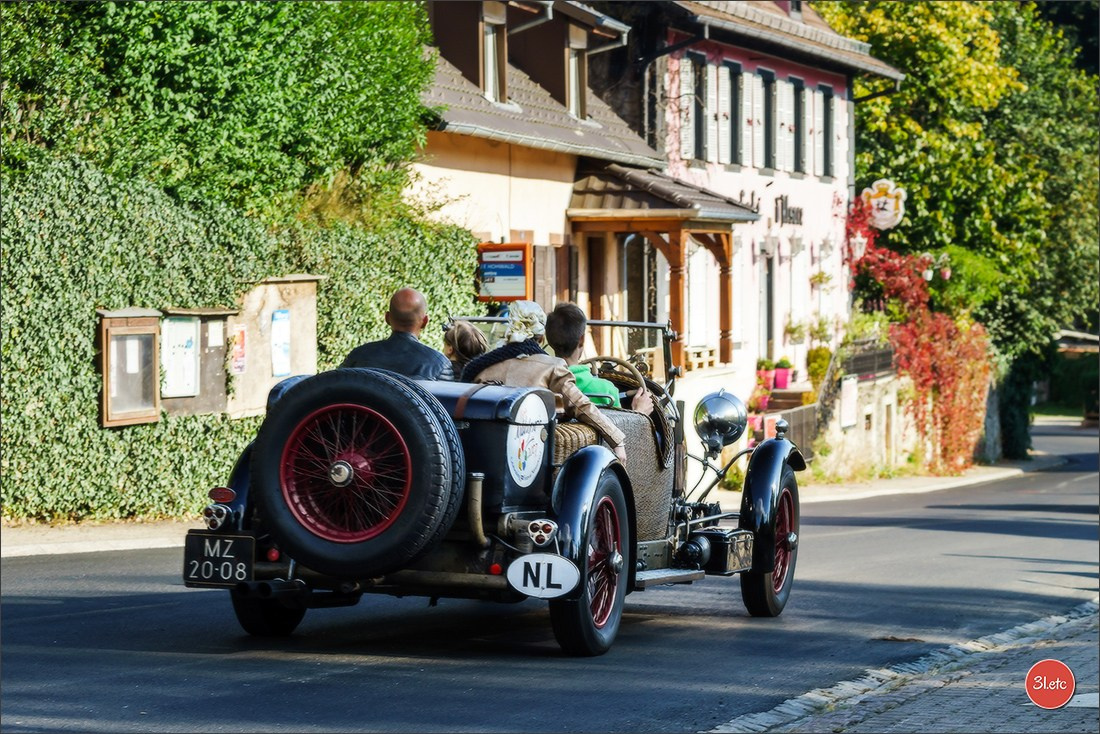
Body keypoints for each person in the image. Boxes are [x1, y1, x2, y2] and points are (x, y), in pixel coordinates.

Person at [461, 300, 628, 463]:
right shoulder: (553, 367)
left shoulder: (481, 368)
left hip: (481, 455)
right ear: (541, 338)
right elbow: (580, 405)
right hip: (530, 458)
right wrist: (616, 440)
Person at [545, 302, 653, 414]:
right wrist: (639, 413)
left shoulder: (544, 385)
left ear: (549, 340)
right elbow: (617, 425)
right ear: (582, 340)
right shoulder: (605, 389)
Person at [340, 287, 453, 380]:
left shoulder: (357, 356)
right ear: (425, 322)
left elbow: (335, 387)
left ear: (387, 318)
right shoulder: (439, 365)